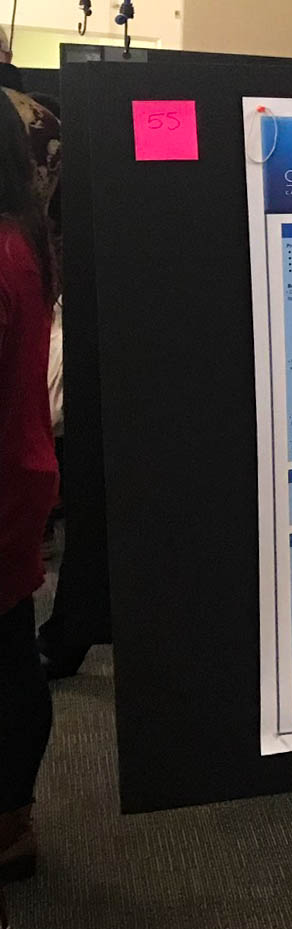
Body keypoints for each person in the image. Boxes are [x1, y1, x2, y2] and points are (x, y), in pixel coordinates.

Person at [0, 86, 59, 888]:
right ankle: (11, 816)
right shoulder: (22, 240)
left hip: (6, 480)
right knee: (10, 645)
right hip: (20, 472)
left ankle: (9, 817)